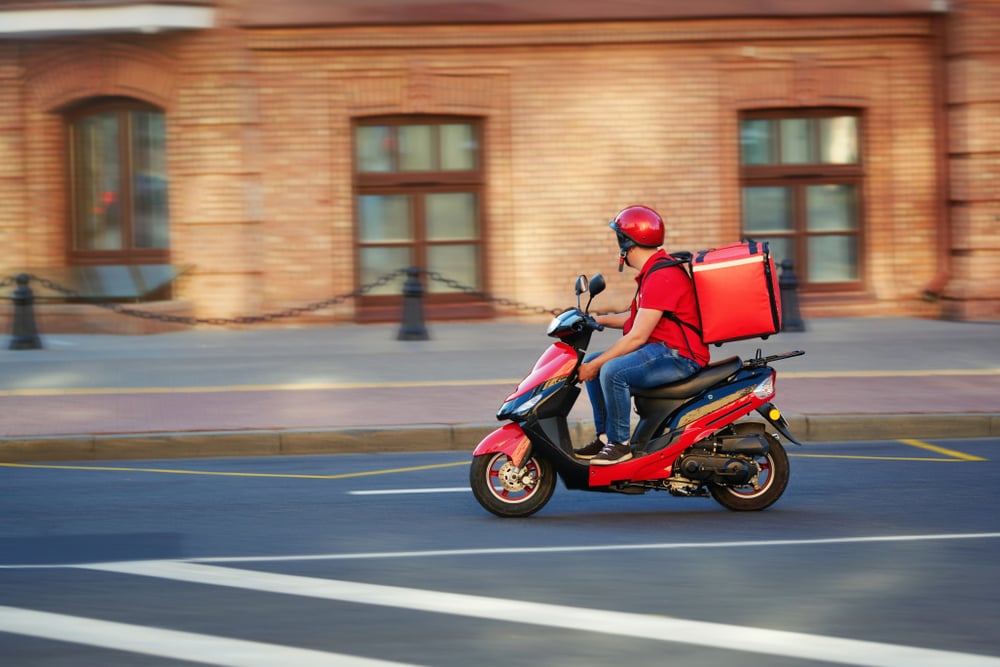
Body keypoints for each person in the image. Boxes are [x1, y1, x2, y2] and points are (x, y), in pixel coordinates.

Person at [574, 205, 710, 465]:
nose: (618, 247)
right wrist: (595, 320)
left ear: (627, 242)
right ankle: (605, 440)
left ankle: (619, 444)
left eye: (619, 239)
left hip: (679, 356)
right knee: (596, 361)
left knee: (612, 370)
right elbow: (635, 319)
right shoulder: (653, 273)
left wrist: (595, 366)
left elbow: (637, 336)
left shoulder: (662, 275)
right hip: (661, 349)